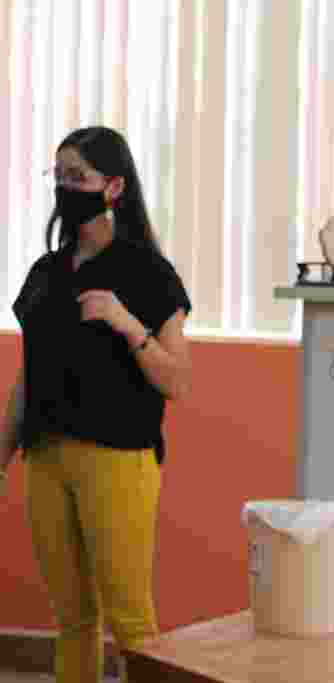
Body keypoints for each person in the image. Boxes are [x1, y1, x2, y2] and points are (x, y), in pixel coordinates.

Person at [0, 126, 192, 682]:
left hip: (117, 461)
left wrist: (124, 320)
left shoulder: (148, 272)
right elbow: (28, 378)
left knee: (132, 619)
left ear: (113, 187)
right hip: (45, 458)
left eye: (77, 176)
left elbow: (177, 381)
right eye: (58, 175)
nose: (64, 187)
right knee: (72, 619)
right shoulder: (46, 273)